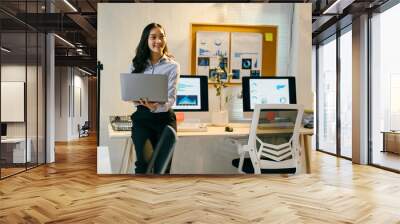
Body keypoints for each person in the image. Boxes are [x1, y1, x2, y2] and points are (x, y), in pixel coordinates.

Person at [129, 23, 180, 174]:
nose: (158, 41)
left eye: (161, 36)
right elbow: (131, 92)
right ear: (146, 40)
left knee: (163, 168)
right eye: (153, 37)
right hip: (142, 119)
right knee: (143, 165)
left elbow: (171, 98)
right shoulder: (136, 64)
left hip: (164, 120)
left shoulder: (173, 66)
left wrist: (156, 107)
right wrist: (136, 100)